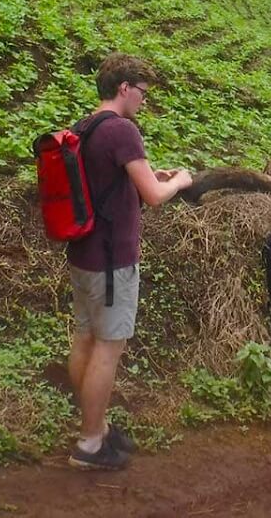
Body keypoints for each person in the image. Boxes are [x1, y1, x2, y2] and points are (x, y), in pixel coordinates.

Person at [67, 53, 193, 471]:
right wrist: (179, 181)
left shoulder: (85, 126)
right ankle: (89, 444)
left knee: (86, 339)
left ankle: (95, 427)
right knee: (108, 347)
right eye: (141, 92)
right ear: (124, 88)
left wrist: (152, 176)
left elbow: (114, 181)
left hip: (84, 254)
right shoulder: (122, 130)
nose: (143, 100)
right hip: (112, 261)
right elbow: (154, 197)